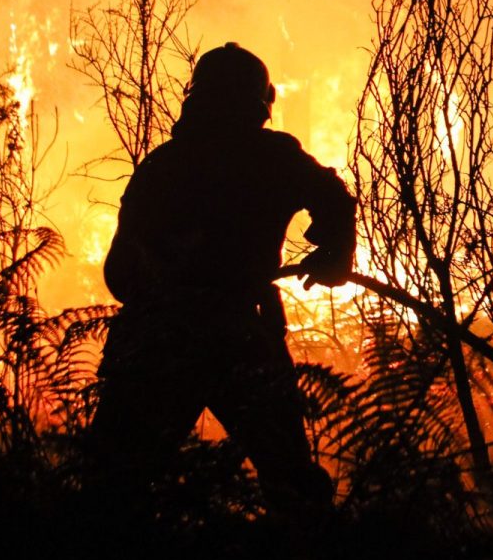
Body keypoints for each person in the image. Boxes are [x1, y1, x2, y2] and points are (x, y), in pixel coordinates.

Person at [88, 42, 356, 514]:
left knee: (113, 489)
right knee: (292, 487)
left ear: (197, 99)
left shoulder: (162, 166)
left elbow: (119, 273)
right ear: (261, 102)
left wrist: (164, 302)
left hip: (158, 342)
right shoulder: (274, 157)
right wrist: (333, 258)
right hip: (242, 337)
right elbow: (335, 199)